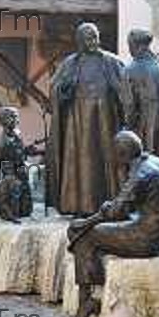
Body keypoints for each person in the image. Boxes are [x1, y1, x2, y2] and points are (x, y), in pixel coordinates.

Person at [66, 131, 159, 317]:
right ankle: (94, 282)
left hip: (147, 238)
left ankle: (87, 301)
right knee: (89, 233)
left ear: (123, 155)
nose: (113, 157)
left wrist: (87, 222)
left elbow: (116, 211)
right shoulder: (156, 162)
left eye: (116, 153)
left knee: (86, 237)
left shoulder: (139, 175)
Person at [49, 23, 125, 215]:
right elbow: (55, 88)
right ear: (80, 41)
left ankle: (111, 202)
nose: (93, 42)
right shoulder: (70, 63)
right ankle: (79, 204)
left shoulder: (112, 61)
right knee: (80, 162)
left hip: (106, 119)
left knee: (106, 159)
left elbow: (125, 92)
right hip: (78, 120)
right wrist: (64, 89)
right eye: (88, 38)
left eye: (95, 37)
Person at [122, 28, 159, 245]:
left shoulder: (131, 69)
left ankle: (146, 225)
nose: (128, 48)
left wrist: (126, 135)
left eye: (129, 44)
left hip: (149, 128)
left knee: (148, 173)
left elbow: (129, 108)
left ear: (135, 45)